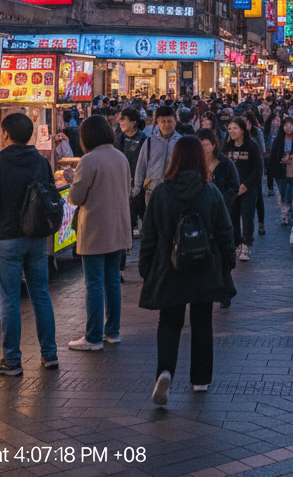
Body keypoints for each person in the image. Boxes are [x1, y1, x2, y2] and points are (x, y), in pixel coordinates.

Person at [138, 136, 236, 404]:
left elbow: (149, 236)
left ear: (175, 158)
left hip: (169, 267)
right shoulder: (211, 191)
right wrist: (228, 263)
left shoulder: (161, 193)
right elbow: (226, 231)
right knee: (202, 321)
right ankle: (201, 380)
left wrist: (146, 267)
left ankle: (165, 372)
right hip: (205, 266)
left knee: (169, 321)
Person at [0, 113, 58, 375]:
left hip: (7, 239)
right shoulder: (40, 162)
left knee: (10, 300)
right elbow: (50, 196)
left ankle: (12, 360)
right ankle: (50, 354)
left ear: (5, 134)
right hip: (36, 238)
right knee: (41, 294)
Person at [67, 116, 132, 351]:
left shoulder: (88, 160)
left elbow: (76, 197)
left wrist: (70, 179)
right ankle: (112, 331)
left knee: (94, 283)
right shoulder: (120, 157)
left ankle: (93, 336)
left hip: (95, 229)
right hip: (118, 228)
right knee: (112, 280)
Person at [225, 117, 262, 260]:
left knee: (247, 217)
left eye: (234, 128)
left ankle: (246, 245)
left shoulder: (252, 146)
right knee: (232, 217)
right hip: (232, 189)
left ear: (242, 130)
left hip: (248, 188)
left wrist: (246, 185)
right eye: (229, 129)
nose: (231, 131)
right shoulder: (227, 147)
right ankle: (237, 244)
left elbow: (258, 169)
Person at [133, 105, 180, 209]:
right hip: (151, 192)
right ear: (158, 122)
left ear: (175, 122)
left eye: (169, 121)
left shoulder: (181, 143)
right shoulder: (150, 142)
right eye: (163, 121)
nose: (166, 124)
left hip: (174, 192)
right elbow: (141, 166)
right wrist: (137, 188)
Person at [268, 116, 293, 225]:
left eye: (291, 126)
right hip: (280, 171)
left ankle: (290, 214)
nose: (288, 128)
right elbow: (273, 157)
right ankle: (284, 214)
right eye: (286, 126)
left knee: (290, 193)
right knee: (282, 193)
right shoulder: (278, 140)